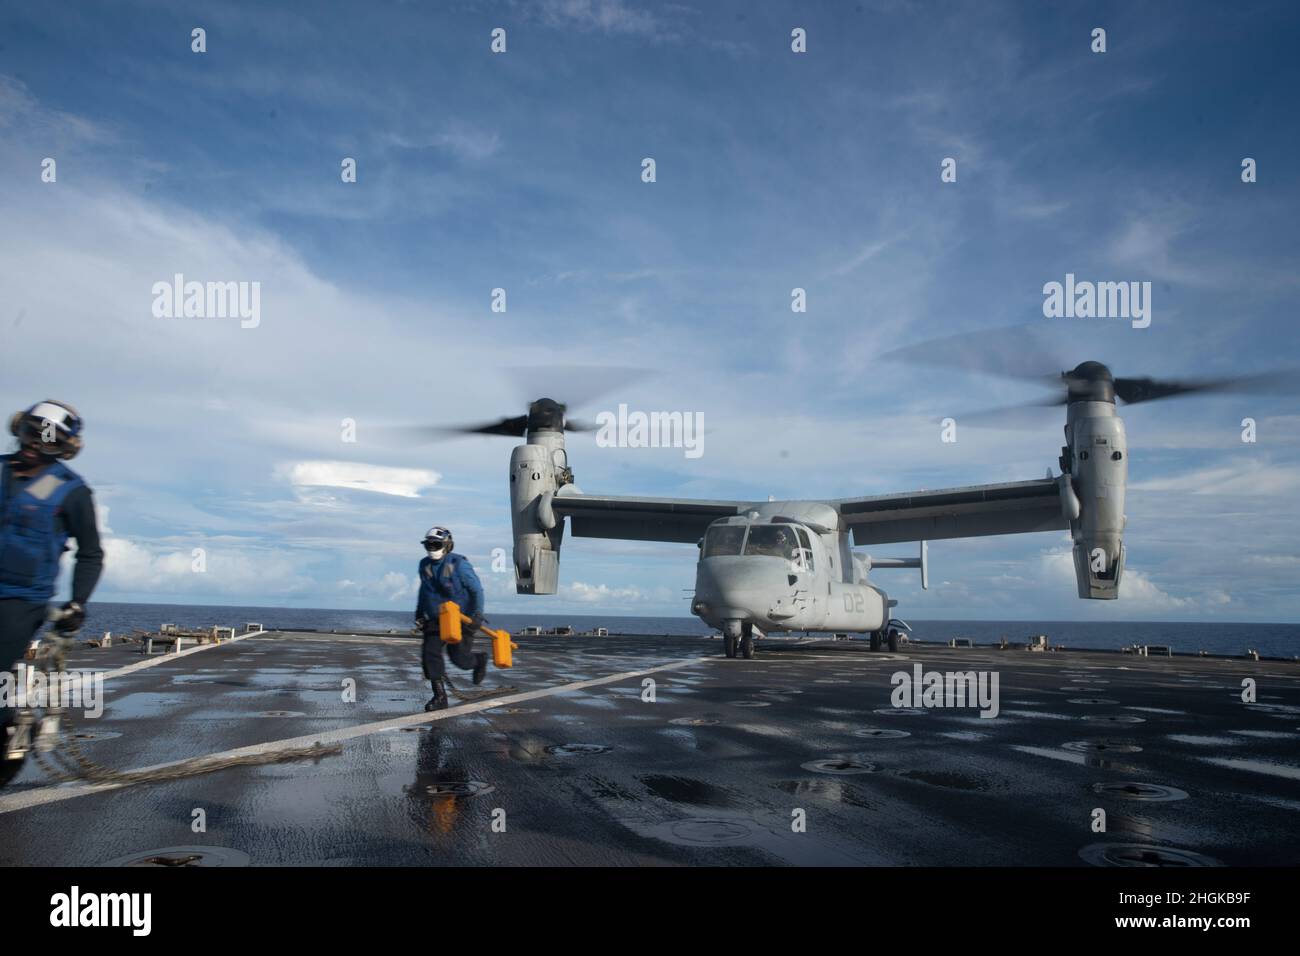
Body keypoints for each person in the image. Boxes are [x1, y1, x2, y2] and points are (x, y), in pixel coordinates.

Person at [0, 401, 104, 786]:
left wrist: (77, 602)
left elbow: (91, 554)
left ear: (63, 447)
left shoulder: (69, 490)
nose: (34, 445)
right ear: (20, 430)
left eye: (48, 440)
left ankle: (8, 732)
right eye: (31, 432)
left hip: (20, 598)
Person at [414, 526, 487, 712]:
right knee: (429, 656)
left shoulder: (459, 564)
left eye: (435, 544)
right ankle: (440, 696)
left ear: (446, 545)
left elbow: (476, 590)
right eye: (428, 545)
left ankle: (478, 661)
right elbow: (424, 591)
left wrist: (477, 614)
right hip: (436, 619)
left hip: (461, 619)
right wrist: (419, 613)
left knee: (460, 660)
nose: (432, 548)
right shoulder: (424, 565)